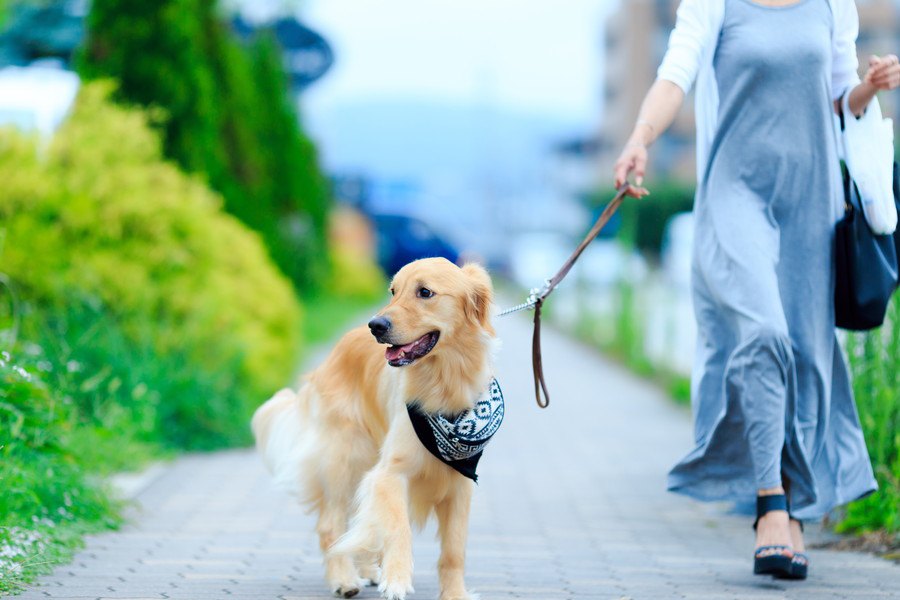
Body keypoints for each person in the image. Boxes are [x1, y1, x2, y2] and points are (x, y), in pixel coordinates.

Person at [613, 0, 900, 580]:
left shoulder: (831, 5)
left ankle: (791, 511)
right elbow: (676, 74)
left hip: (811, 199)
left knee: (806, 351)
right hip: (735, 193)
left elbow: (839, 99)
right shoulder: (714, 2)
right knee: (764, 333)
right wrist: (641, 137)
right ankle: (771, 503)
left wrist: (870, 88)